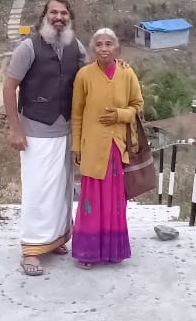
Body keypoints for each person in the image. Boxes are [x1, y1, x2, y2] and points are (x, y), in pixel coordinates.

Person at [2, 0, 87, 277]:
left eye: (64, 12)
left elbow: (91, 76)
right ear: (44, 16)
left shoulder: (76, 47)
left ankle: (57, 238)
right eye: (54, 12)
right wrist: (15, 128)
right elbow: (9, 87)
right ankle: (31, 249)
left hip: (65, 130)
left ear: (69, 16)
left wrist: (118, 67)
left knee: (61, 190)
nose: (59, 17)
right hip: (36, 129)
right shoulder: (28, 48)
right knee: (38, 190)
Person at [70, 28, 143, 269]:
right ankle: (87, 253)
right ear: (93, 49)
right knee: (91, 201)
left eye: (108, 44)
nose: (104, 48)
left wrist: (120, 115)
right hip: (91, 147)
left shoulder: (126, 73)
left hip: (116, 148)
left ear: (117, 47)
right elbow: (77, 113)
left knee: (114, 202)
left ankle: (113, 251)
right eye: (99, 44)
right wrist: (76, 146)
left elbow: (137, 105)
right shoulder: (84, 75)